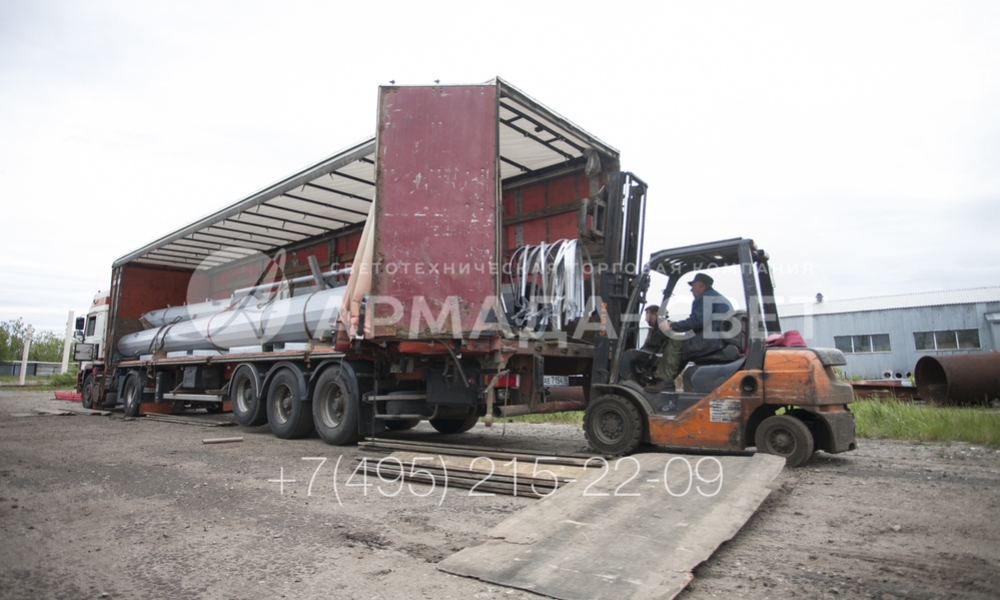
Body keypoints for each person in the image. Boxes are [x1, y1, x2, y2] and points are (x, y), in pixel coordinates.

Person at [644, 273, 733, 392]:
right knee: (685, 340)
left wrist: (672, 325)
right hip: (717, 340)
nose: (691, 290)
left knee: (676, 341)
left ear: (700, 285)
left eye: (693, 286)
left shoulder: (705, 297)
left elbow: (697, 321)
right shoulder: (719, 298)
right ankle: (665, 378)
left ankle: (664, 380)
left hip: (710, 342)